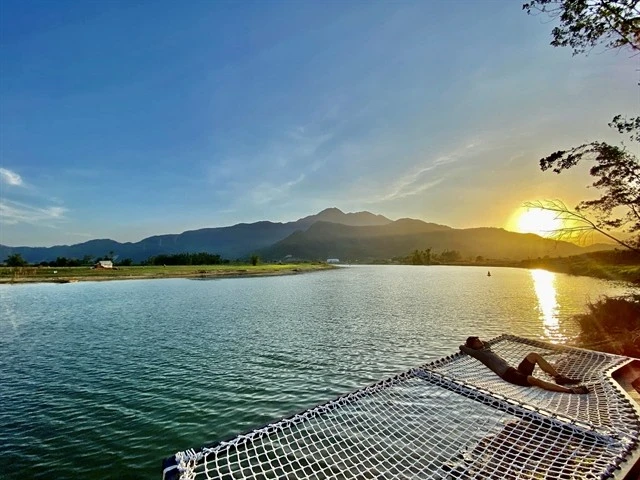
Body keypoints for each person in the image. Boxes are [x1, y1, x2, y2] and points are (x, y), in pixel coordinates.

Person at [460, 336, 589, 394]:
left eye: (478, 339)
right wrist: (468, 345)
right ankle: (571, 391)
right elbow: (463, 347)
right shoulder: (478, 354)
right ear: (472, 346)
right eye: (475, 341)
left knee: (533, 355)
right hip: (509, 375)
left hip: (514, 370)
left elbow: (486, 342)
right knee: (533, 380)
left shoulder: (486, 349)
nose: (479, 341)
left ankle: (558, 377)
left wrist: (478, 342)